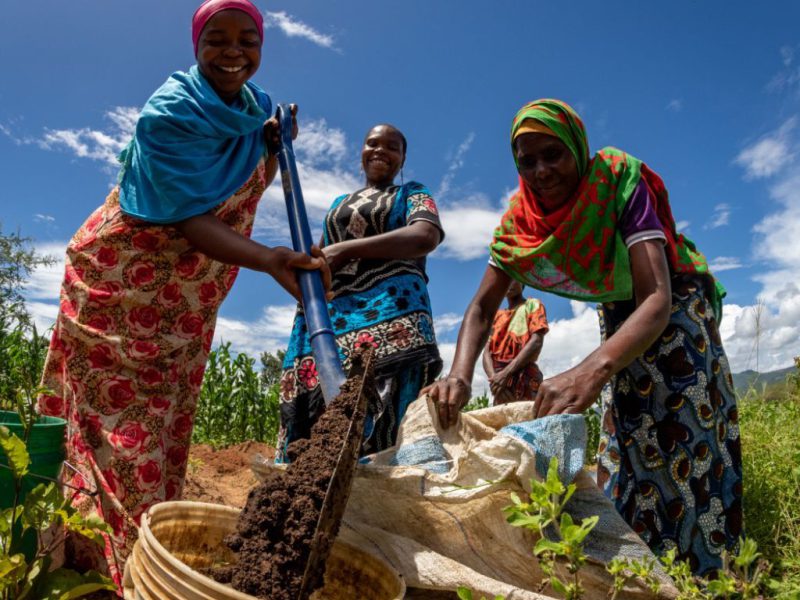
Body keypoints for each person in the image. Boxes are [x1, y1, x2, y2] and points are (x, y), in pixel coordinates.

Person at [37, 0, 330, 589]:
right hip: (120, 289)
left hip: (182, 308)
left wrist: (273, 144)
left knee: (162, 433)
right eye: (216, 39)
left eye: (247, 40)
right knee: (116, 438)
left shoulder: (252, 111)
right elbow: (189, 217)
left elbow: (238, 186)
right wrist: (271, 259)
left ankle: (131, 565)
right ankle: (107, 575)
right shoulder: (169, 114)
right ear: (195, 45)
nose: (233, 52)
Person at [423, 99, 741, 575]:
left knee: (685, 440)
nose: (541, 171)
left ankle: (705, 572)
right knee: (629, 436)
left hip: (673, 313)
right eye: (527, 161)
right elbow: (482, 308)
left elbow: (656, 297)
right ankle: (638, 569)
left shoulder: (616, 179)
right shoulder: (520, 222)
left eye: (553, 154)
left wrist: (590, 370)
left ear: (577, 148)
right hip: (620, 318)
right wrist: (459, 375)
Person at [278, 124, 444, 459]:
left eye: (392, 147)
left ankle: (379, 478)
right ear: (362, 151)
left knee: (384, 409)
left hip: (393, 312)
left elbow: (425, 235)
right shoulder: (339, 203)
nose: (380, 150)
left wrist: (347, 249)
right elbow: (322, 257)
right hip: (332, 316)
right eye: (372, 143)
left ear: (403, 159)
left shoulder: (412, 193)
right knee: (320, 412)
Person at [482, 280, 548, 405]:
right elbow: (486, 352)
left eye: (513, 279)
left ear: (522, 282)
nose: (509, 283)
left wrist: (506, 374)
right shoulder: (497, 316)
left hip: (525, 379)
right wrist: (495, 381)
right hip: (501, 386)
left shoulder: (532, 305)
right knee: (503, 416)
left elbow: (536, 341)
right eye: (506, 280)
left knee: (527, 415)